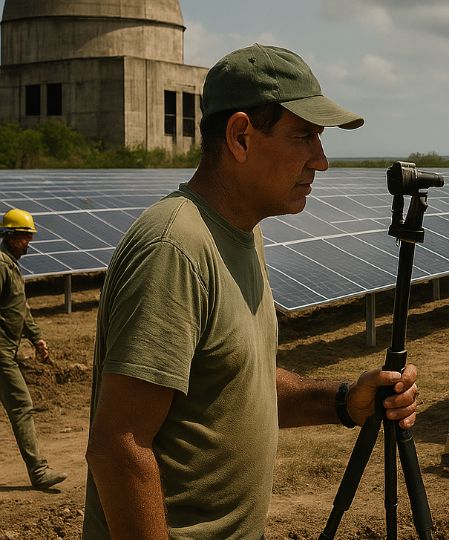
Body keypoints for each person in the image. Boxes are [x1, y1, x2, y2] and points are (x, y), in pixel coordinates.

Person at [82, 44, 420, 539]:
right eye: (303, 136)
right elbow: (119, 446)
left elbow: (237, 383)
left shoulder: (241, 233)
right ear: (240, 136)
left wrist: (345, 401)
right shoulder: (174, 248)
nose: (321, 161)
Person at [0, 209, 66, 490]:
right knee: (21, 406)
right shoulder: (1, 265)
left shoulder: (10, 265)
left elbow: (20, 308)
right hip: (1, 353)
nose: (29, 242)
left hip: (7, 350)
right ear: (11, 236)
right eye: (25, 236)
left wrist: (36, 339)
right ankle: (38, 472)